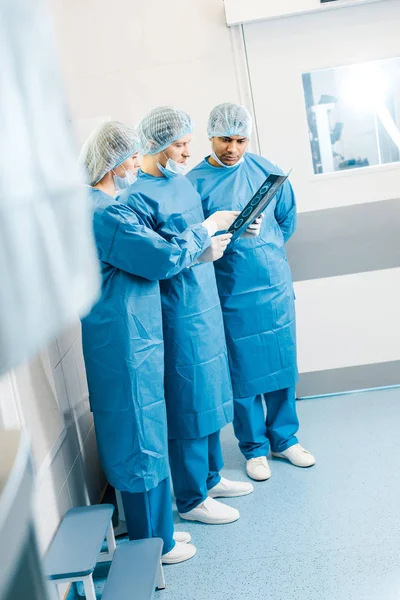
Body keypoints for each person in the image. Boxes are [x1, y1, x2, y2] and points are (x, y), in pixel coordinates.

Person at [80, 121, 233, 563]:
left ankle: (162, 531)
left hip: (134, 332)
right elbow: (159, 256)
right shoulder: (103, 212)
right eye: (130, 159)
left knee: (150, 426)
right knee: (139, 436)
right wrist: (205, 231)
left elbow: (154, 252)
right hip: (123, 340)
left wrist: (197, 244)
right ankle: (153, 545)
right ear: (112, 162)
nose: (135, 167)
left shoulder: (104, 205)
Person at [118, 106, 254, 526]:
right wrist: (199, 248)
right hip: (177, 309)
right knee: (190, 399)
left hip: (205, 301)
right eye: (178, 145)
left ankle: (211, 476)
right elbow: (154, 258)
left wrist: (228, 232)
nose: (185, 153)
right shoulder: (136, 196)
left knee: (212, 391)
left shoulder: (180, 184)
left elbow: (197, 235)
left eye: (187, 144)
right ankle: (192, 497)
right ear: (155, 146)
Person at [187, 103, 316, 482]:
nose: (233, 148)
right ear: (211, 136)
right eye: (225, 139)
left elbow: (286, 220)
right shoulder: (194, 183)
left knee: (280, 362)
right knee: (241, 371)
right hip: (230, 290)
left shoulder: (267, 171)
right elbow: (194, 239)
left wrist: (267, 245)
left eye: (241, 140)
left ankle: (285, 438)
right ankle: (254, 447)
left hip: (273, 285)